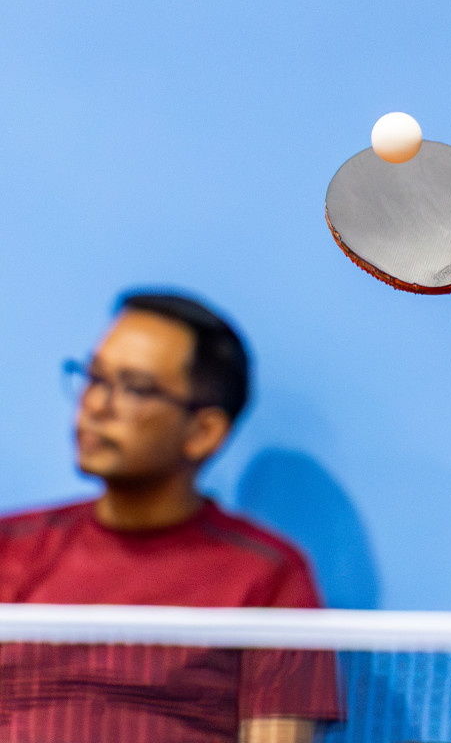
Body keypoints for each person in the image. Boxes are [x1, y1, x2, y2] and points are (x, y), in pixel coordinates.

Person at [0, 291, 341, 743]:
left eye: (135, 388)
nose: (96, 405)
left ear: (204, 432)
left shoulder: (271, 577)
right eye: (94, 377)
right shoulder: (10, 546)